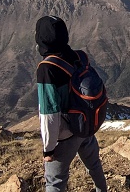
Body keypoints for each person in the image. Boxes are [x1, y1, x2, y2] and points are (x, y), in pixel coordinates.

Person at [35, 15, 107, 192]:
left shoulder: (47, 68)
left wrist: (49, 149)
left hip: (65, 136)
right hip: (85, 126)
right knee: (94, 165)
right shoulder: (80, 56)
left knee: (55, 182)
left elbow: (49, 114)